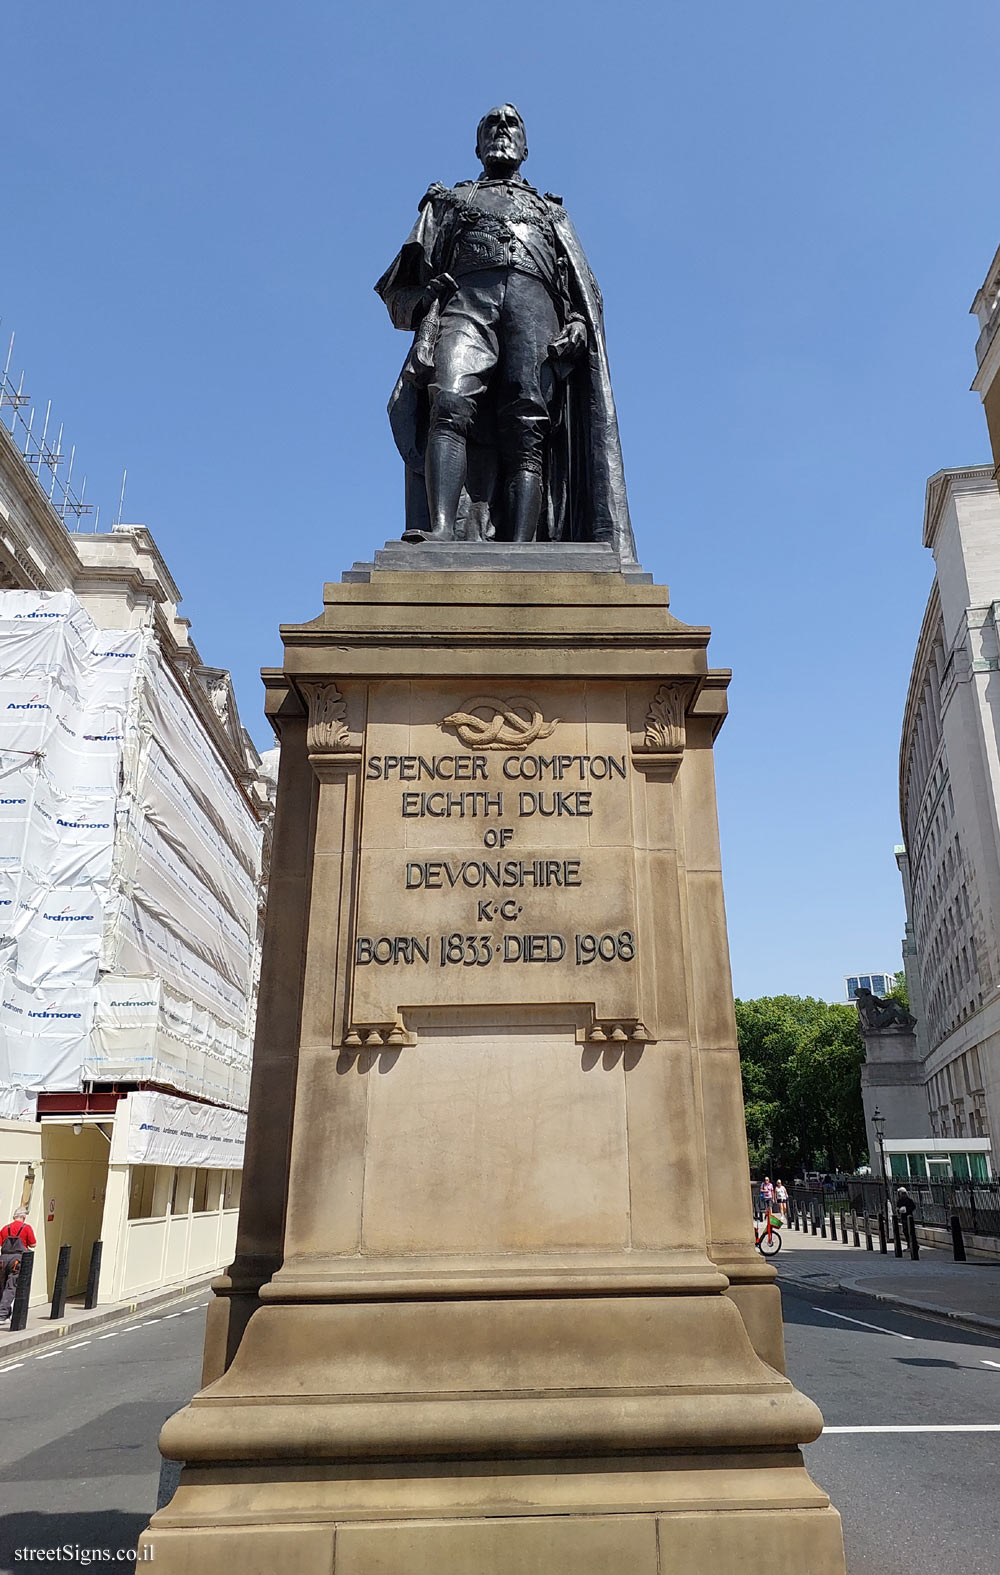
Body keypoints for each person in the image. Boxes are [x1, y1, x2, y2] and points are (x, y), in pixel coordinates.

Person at [376, 104, 636, 557]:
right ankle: (440, 529)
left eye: (511, 122)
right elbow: (400, 291)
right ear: (477, 145)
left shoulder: (551, 212)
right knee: (448, 399)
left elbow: (584, 292)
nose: (501, 127)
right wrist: (425, 300)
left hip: (536, 309)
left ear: (525, 147)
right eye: (491, 123)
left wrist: (577, 322)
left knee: (527, 425)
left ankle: (522, 549)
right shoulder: (448, 202)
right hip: (465, 302)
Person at [0, 1207, 36, 1324]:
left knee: (2, 1285)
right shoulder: (26, 1228)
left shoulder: (5, 1228)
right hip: (17, 1259)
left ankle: (6, 1313)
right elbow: (33, 1244)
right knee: (11, 1286)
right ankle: (2, 1314)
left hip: (4, 1259)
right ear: (23, 1217)